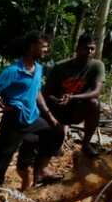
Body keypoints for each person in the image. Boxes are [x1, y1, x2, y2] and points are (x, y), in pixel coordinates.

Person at [0, 31, 57, 189]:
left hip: (32, 117)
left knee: (53, 132)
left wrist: (48, 115)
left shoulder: (38, 69)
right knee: (4, 156)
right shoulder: (13, 71)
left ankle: (37, 169)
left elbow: (37, 92)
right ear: (32, 47)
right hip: (15, 118)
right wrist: (3, 106)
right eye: (43, 47)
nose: (46, 50)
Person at [42, 32, 105, 164]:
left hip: (78, 108)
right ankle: (51, 144)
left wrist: (73, 97)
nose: (89, 52)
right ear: (77, 48)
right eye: (86, 48)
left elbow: (96, 91)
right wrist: (58, 100)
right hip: (59, 108)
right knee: (45, 106)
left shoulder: (96, 66)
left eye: (92, 49)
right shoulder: (60, 67)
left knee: (94, 103)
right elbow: (47, 93)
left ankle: (86, 144)